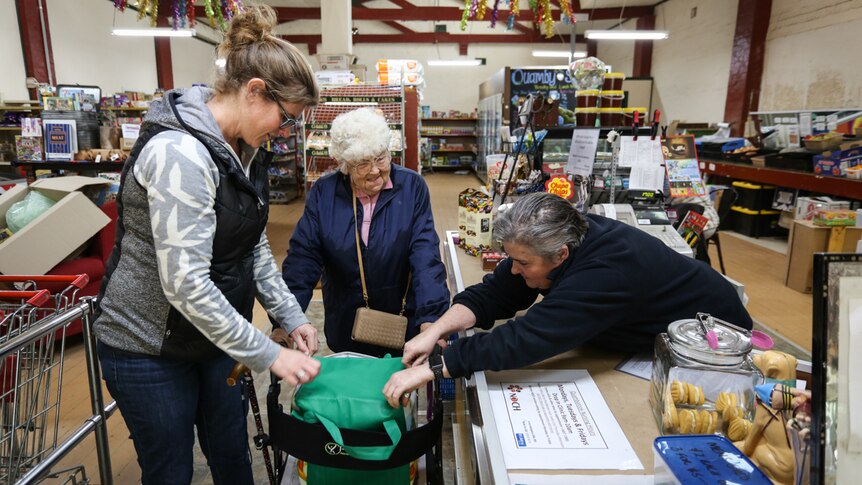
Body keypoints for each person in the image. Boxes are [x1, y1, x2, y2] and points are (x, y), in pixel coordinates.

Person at [93, 6, 321, 484]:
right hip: (147, 345)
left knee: (233, 457)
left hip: (212, 338)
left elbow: (251, 246)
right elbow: (186, 285)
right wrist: (271, 354)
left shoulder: (245, 147)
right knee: (172, 471)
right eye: (285, 117)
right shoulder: (181, 154)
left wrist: (290, 314)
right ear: (255, 91)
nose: (285, 131)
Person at [384, 191, 753, 407]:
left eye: (522, 262)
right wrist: (435, 332)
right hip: (634, 328)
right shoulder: (559, 240)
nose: (514, 269)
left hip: (710, 340)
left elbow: (529, 337)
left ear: (561, 255)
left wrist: (435, 368)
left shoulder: (606, 273)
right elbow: (496, 293)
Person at [282, 107, 450, 357]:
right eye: (362, 163)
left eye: (380, 158)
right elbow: (302, 260)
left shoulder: (412, 187)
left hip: (403, 318)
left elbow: (425, 255)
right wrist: (285, 322)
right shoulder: (324, 193)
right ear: (345, 165)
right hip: (347, 321)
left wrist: (432, 317)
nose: (374, 170)